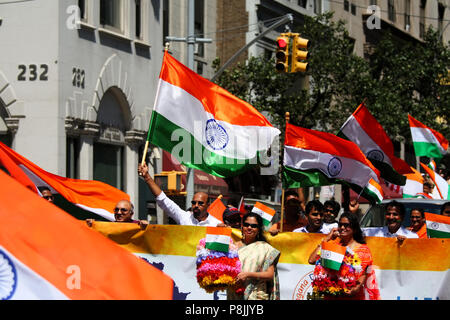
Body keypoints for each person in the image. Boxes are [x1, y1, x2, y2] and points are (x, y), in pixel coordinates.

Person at [308, 212, 380, 300]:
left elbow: (364, 274)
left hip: (353, 296)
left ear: (354, 228)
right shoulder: (333, 245)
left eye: (346, 225)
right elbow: (311, 260)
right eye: (340, 225)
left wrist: (356, 288)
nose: (342, 228)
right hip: (332, 295)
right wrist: (327, 239)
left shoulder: (363, 250)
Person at [138, 162, 221, 226]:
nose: (196, 205)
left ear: (208, 205)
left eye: (200, 203)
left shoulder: (216, 224)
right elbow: (163, 199)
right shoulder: (185, 218)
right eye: (193, 203)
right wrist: (147, 177)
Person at [227, 212, 280, 300]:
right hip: (234, 294)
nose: (249, 228)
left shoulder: (265, 248)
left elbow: (270, 274)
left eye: (254, 226)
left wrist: (248, 274)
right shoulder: (233, 247)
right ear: (242, 226)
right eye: (246, 224)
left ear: (259, 229)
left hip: (256, 295)